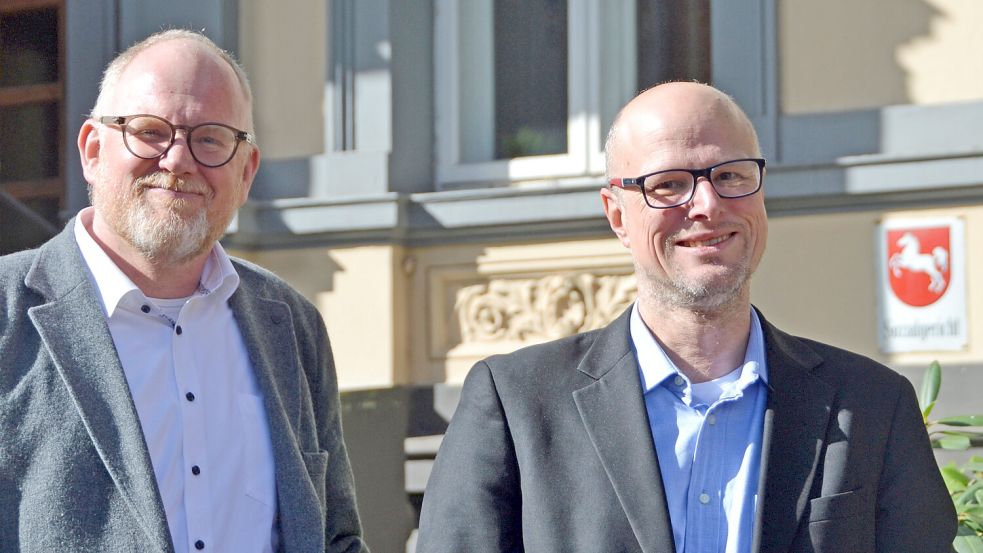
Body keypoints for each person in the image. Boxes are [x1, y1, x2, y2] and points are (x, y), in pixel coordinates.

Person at [416, 82, 956, 552]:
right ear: (616, 214)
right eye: (668, 184)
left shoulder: (871, 406)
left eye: (731, 175)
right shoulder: (516, 404)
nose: (707, 204)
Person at [0, 30, 367, 552]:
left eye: (211, 138)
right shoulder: (7, 313)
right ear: (92, 150)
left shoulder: (289, 321)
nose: (177, 161)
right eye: (149, 132)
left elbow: (334, 535)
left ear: (247, 172)